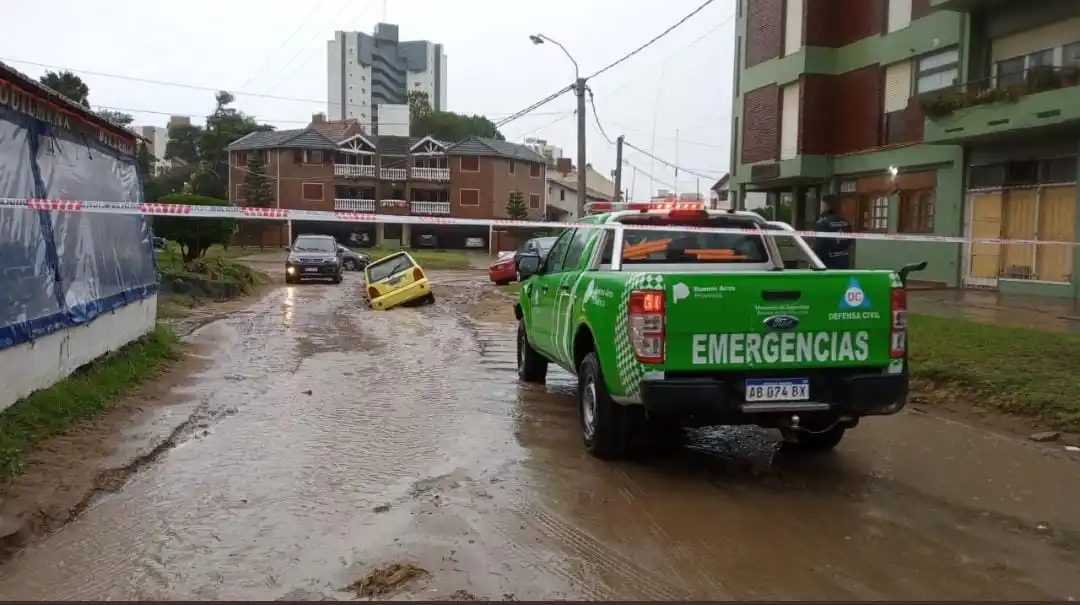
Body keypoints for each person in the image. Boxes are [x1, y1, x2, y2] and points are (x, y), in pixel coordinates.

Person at [812, 194, 853, 269]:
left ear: (827, 206)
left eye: (822, 205)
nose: (820, 208)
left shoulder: (822, 223)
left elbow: (820, 245)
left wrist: (814, 260)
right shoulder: (846, 222)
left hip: (827, 263)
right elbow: (850, 240)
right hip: (843, 261)